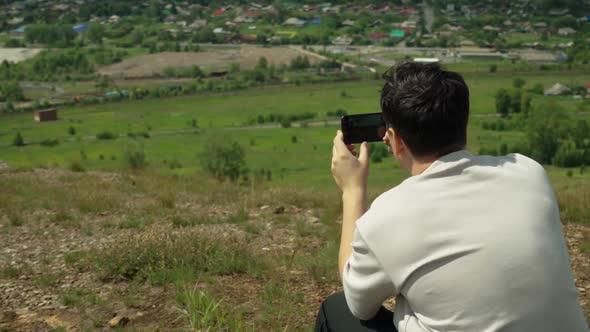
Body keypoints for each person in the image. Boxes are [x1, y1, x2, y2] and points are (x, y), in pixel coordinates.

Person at [315, 62, 589, 332]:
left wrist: (353, 191)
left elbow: (358, 303)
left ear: (394, 139)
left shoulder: (388, 216)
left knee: (336, 309)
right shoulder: (529, 172)